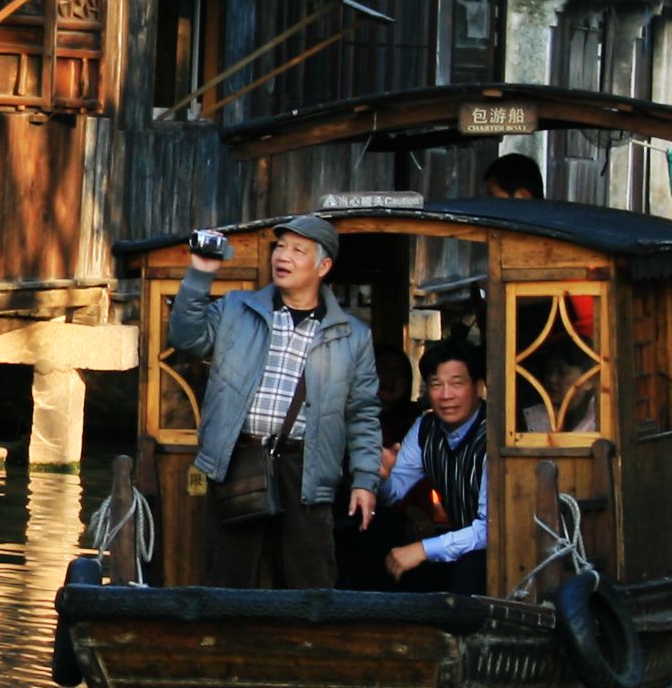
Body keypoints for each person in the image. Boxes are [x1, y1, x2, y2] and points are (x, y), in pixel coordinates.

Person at [170, 214, 380, 590]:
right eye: (280, 246)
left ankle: (307, 649)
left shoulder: (353, 335)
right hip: (239, 461)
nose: (283, 256)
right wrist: (201, 272)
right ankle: (227, 647)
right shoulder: (237, 309)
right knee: (228, 582)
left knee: (312, 585)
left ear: (323, 266)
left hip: (308, 467)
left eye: (298, 250)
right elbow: (187, 339)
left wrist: (365, 480)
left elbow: (362, 413)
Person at [374, 340, 492, 591]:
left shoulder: (494, 435)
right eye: (436, 385)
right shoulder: (425, 428)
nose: (446, 395)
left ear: (479, 387)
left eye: (457, 384)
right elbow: (392, 494)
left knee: (468, 568)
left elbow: (488, 529)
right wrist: (382, 475)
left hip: (500, 552)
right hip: (459, 546)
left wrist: (423, 549)